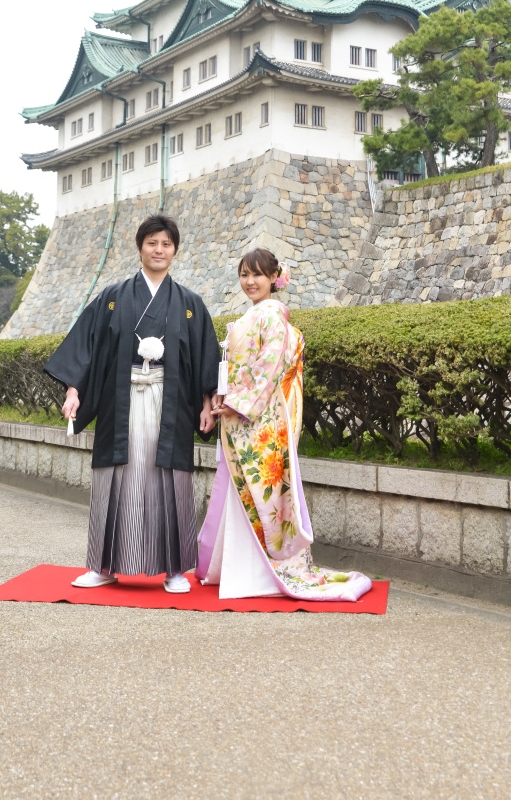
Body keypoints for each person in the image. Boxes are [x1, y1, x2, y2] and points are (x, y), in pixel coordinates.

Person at [45, 215, 220, 593]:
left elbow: (204, 357)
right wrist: (74, 391)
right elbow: (86, 347)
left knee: (169, 482)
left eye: (166, 244)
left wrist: (207, 403)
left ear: (175, 250)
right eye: (152, 243)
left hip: (169, 402)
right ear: (140, 247)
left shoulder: (190, 303)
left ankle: (174, 569)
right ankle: (103, 564)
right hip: (120, 401)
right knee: (114, 479)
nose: (159, 250)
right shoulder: (112, 297)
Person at [196, 248, 371, 601]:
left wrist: (237, 404)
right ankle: (240, 567)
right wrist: (221, 394)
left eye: (258, 275)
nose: (250, 282)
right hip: (244, 417)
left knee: (263, 492)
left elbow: (269, 368)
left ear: (275, 278)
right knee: (248, 491)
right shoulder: (256, 316)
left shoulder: (273, 318)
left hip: (260, 419)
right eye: (244, 274)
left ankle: (259, 570)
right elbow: (238, 368)